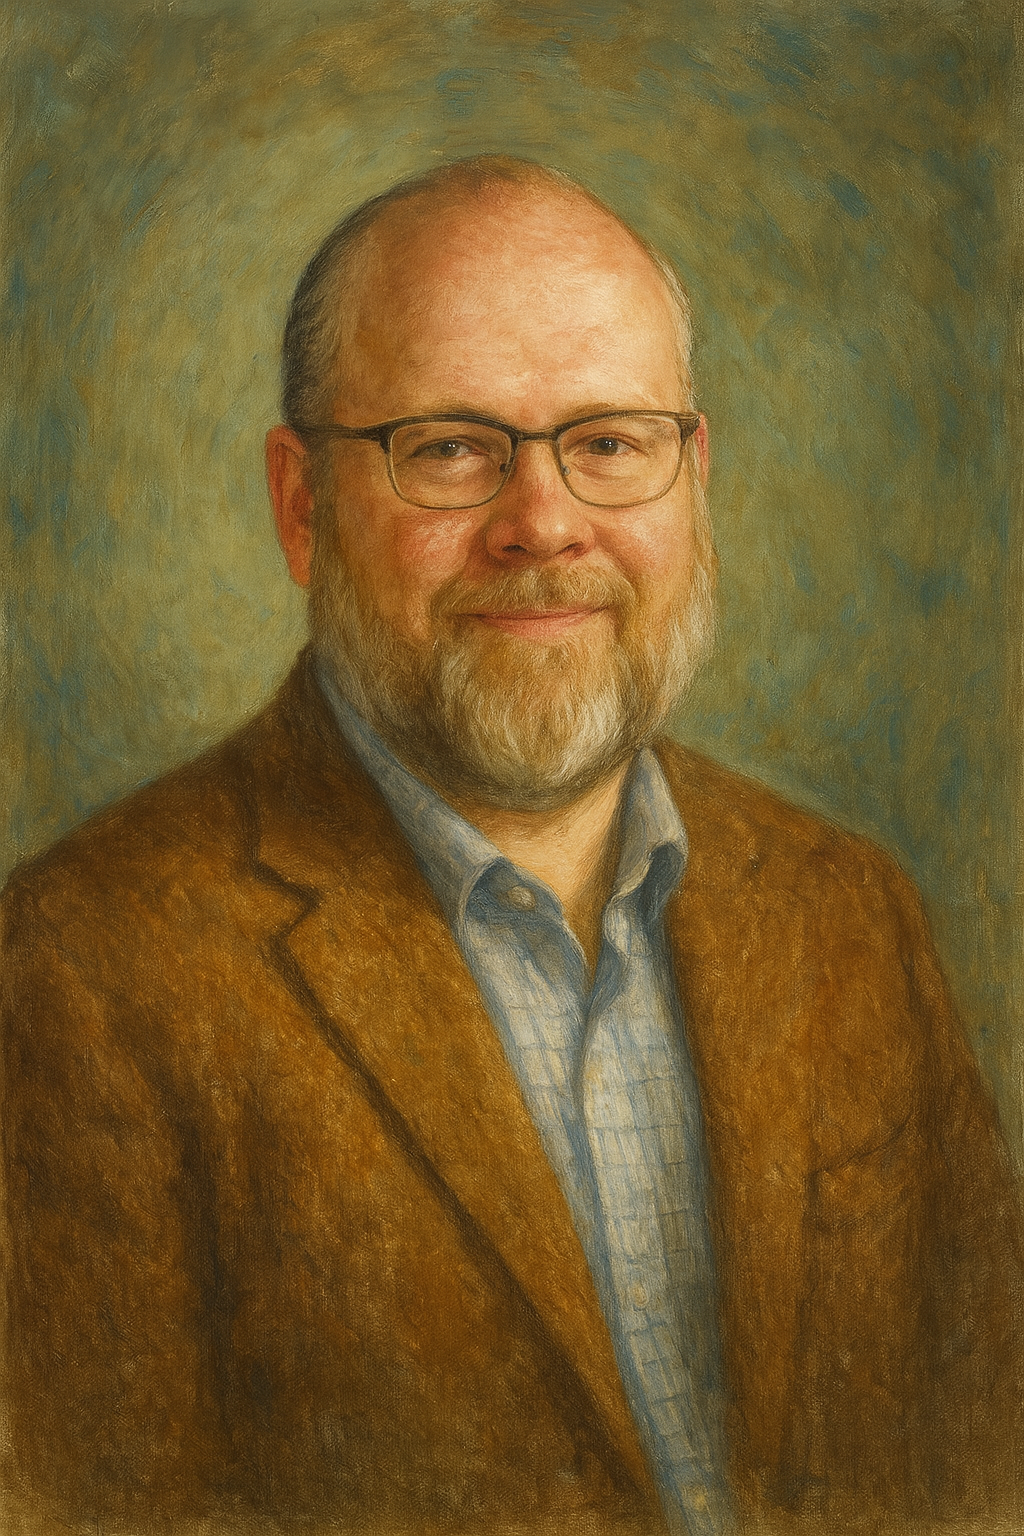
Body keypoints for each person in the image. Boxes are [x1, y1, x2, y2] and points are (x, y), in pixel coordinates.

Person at [2, 156, 1021, 1536]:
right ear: (301, 506)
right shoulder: (82, 966)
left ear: (695, 477)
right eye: (449, 448)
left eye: (609, 444)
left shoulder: (849, 913)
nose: (543, 523)